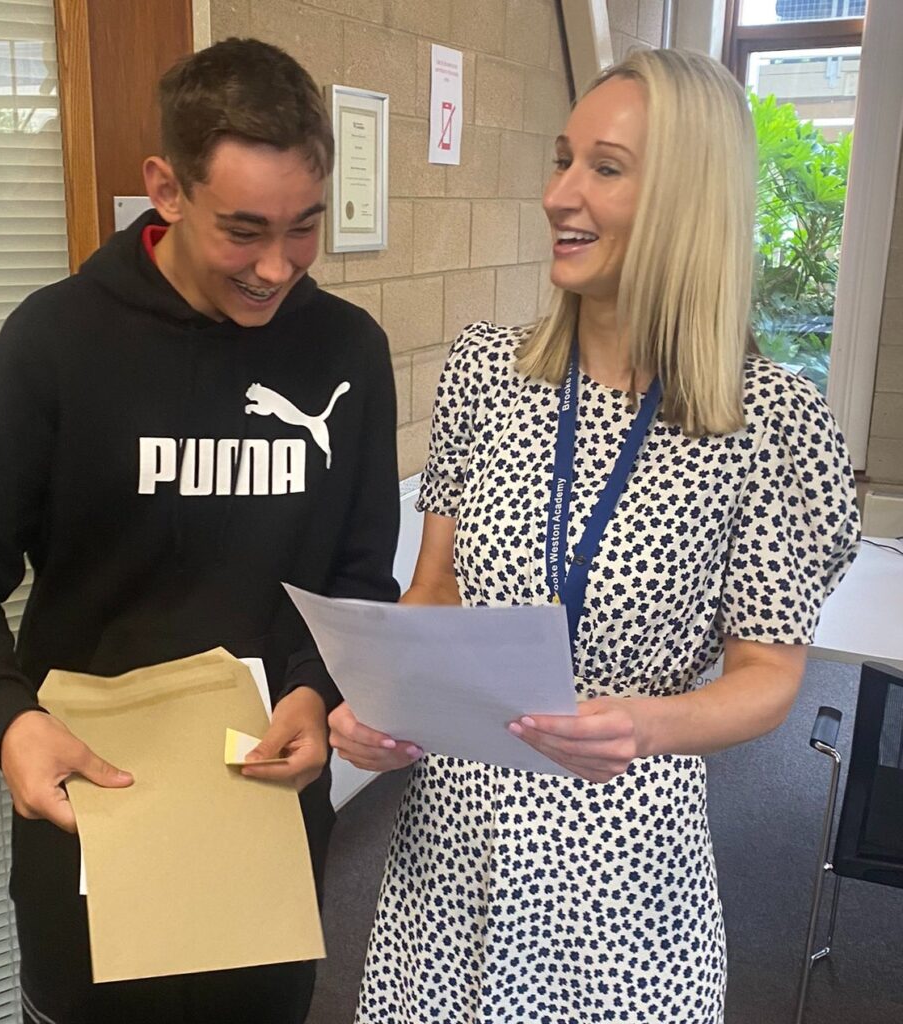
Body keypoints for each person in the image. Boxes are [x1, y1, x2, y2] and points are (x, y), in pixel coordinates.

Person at [330, 48, 860, 1023]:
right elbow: (436, 589)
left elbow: (768, 674)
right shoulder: (486, 373)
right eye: (560, 157)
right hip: (454, 839)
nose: (558, 193)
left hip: (621, 867)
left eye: (604, 168)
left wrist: (647, 722)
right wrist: (383, 702)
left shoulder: (764, 424)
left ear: (685, 201)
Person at [0, 37, 400, 1024]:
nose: (275, 266)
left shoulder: (348, 352)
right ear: (164, 187)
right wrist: (7, 719)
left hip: (266, 821)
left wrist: (315, 685)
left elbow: (356, 578)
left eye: (303, 228)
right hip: (94, 816)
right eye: (243, 229)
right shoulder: (56, 340)